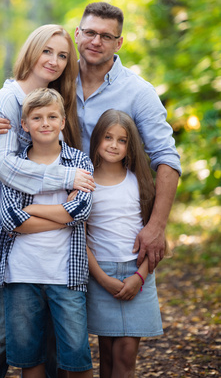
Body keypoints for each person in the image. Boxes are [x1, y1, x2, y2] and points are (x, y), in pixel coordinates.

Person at [0, 1, 181, 274]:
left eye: (106, 36)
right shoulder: (56, 79)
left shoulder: (139, 93)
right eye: (90, 33)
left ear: (119, 42)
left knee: (109, 306)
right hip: (53, 220)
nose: (96, 41)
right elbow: (21, 100)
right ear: (77, 34)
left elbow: (167, 158)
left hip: (113, 224)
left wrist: (157, 226)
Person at [0, 25, 95, 378]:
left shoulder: (52, 96)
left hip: (54, 251)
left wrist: (65, 206)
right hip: (15, 240)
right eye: (47, 51)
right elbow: (4, 164)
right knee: (3, 332)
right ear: (32, 50)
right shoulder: (11, 98)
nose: (54, 61)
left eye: (63, 55)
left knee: (49, 337)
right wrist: (66, 180)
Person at [0, 88, 94, 378]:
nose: (45, 123)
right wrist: (63, 212)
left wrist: (32, 210)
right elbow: (11, 220)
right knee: (29, 360)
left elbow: (81, 212)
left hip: (66, 274)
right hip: (21, 273)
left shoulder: (79, 163)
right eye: (36, 117)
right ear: (24, 125)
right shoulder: (15, 166)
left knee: (77, 359)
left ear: (62, 122)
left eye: (52, 117)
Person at [86, 109, 164, 377]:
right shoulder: (86, 183)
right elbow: (79, 239)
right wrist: (103, 279)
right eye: (108, 137)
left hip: (137, 273)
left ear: (130, 146)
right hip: (100, 274)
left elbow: (155, 241)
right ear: (97, 139)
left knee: (126, 354)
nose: (113, 145)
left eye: (122, 140)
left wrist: (139, 278)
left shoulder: (140, 182)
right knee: (106, 354)